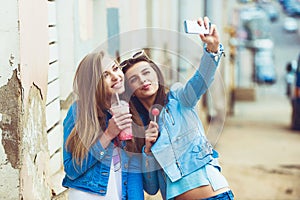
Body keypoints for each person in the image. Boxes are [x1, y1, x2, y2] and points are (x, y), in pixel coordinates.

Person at [121, 17, 234, 200]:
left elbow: (201, 80)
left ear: (157, 75)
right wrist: (148, 150)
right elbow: (151, 188)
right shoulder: (140, 128)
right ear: (130, 91)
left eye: (146, 73)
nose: (142, 80)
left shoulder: (180, 99)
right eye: (134, 79)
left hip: (214, 196)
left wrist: (212, 50)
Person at [62, 51, 144, 200]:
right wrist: (108, 134)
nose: (115, 76)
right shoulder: (79, 112)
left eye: (115, 68)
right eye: (105, 75)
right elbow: (71, 170)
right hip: (87, 195)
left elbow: (134, 170)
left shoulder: (130, 109)